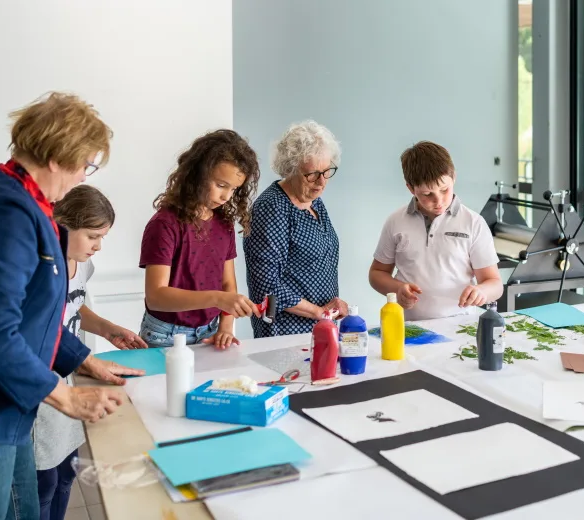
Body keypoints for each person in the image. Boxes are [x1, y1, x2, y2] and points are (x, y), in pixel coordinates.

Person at [0, 92, 143, 520]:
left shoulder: (21, 200)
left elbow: (38, 312)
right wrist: (64, 397)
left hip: (3, 408)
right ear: (56, 157)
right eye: (85, 165)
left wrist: (85, 359)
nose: (81, 178)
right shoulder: (4, 211)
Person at [35, 185, 148, 520]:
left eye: (103, 237)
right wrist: (88, 361)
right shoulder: (44, 268)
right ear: (63, 224)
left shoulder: (82, 266)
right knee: (45, 478)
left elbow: (76, 308)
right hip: (45, 381)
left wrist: (108, 329)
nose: (98, 246)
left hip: (70, 375)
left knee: (68, 470)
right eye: (92, 236)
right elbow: (42, 328)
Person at [139, 129, 262, 348]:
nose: (226, 196)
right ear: (197, 174)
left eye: (234, 189)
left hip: (210, 331)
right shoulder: (164, 224)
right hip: (165, 336)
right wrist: (217, 299)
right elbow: (156, 296)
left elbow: (227, 284)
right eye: (221, 185)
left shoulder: (224, 224)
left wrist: (225, 326)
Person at [369, 140, 503, 320]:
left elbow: (494, 283)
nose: (438, 201)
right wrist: (397, 289)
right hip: (410, 327)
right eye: (427, 194)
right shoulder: (395, 221)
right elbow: (377, 273)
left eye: (444, 189)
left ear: (453, 177)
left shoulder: (474, 223)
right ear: (410, 188)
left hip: (460, 326)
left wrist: (481, 291)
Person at [244, 120, 349, 338]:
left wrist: (330, 307)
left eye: (327, 171)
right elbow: (267, 286)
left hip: (319, 327)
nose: (321, 182)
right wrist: (318, 312)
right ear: (290, 168)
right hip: (284, 331)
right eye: (311, 174)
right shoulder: (271, 208)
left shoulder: (314, 202)